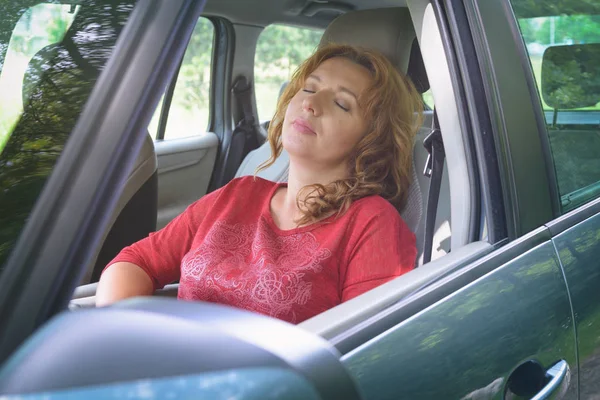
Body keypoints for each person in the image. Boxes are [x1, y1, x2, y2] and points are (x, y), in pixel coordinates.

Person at [96, 44, 423, 324]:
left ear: (371, 141)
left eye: (341, 103)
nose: (310, 104)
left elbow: (368, 348)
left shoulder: (371, 224)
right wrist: (124, 338)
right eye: (309, 88)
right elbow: (136, 261)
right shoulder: (238, 194)